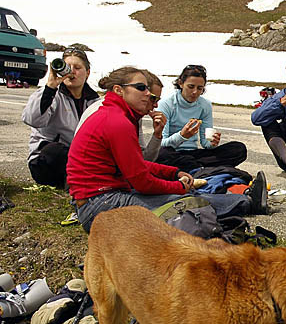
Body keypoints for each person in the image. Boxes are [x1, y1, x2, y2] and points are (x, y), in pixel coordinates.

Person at [66, 66, 269, 233]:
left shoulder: (117, 115)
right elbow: (141, 180)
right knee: (183, 203)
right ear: (119, 90)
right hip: (99, 204)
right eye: (141, 88)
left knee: (182, 198)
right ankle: (245, 202)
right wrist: (178, 186)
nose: (148, 95)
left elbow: (137, 166)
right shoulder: (117, 121)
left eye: (148, 90)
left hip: (98, 199)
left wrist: (172, 173)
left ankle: (244, 201)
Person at [21, 47, 99, 188]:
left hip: (79, 159)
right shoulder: (51, 94)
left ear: (87, 73)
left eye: (77, 67)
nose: (71, 72)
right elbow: (31, 119)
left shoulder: (94, 102)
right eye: (67, 67)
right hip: (48, 161)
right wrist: (50, 86)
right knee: (55, 151)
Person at [156, 64, 247, 173]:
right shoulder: (166, 104)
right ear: (181, 83)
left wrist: (212, 143)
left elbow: (205, 143)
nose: (195, 92)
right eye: (191, 87)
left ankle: (196, 168)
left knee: (238, 149)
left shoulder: (205, 105)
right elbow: (161, 142)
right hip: (173, 152)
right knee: (162, 154)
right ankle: (205, 168)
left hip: (194, 154)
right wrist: (182, 136)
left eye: (200, 88)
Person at [75, 70, 166, 161]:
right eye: (153, 98)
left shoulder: (133, 114)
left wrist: (157, 135)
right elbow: (133, 166)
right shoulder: (105, 113)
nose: (156, 105)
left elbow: (141, 160)